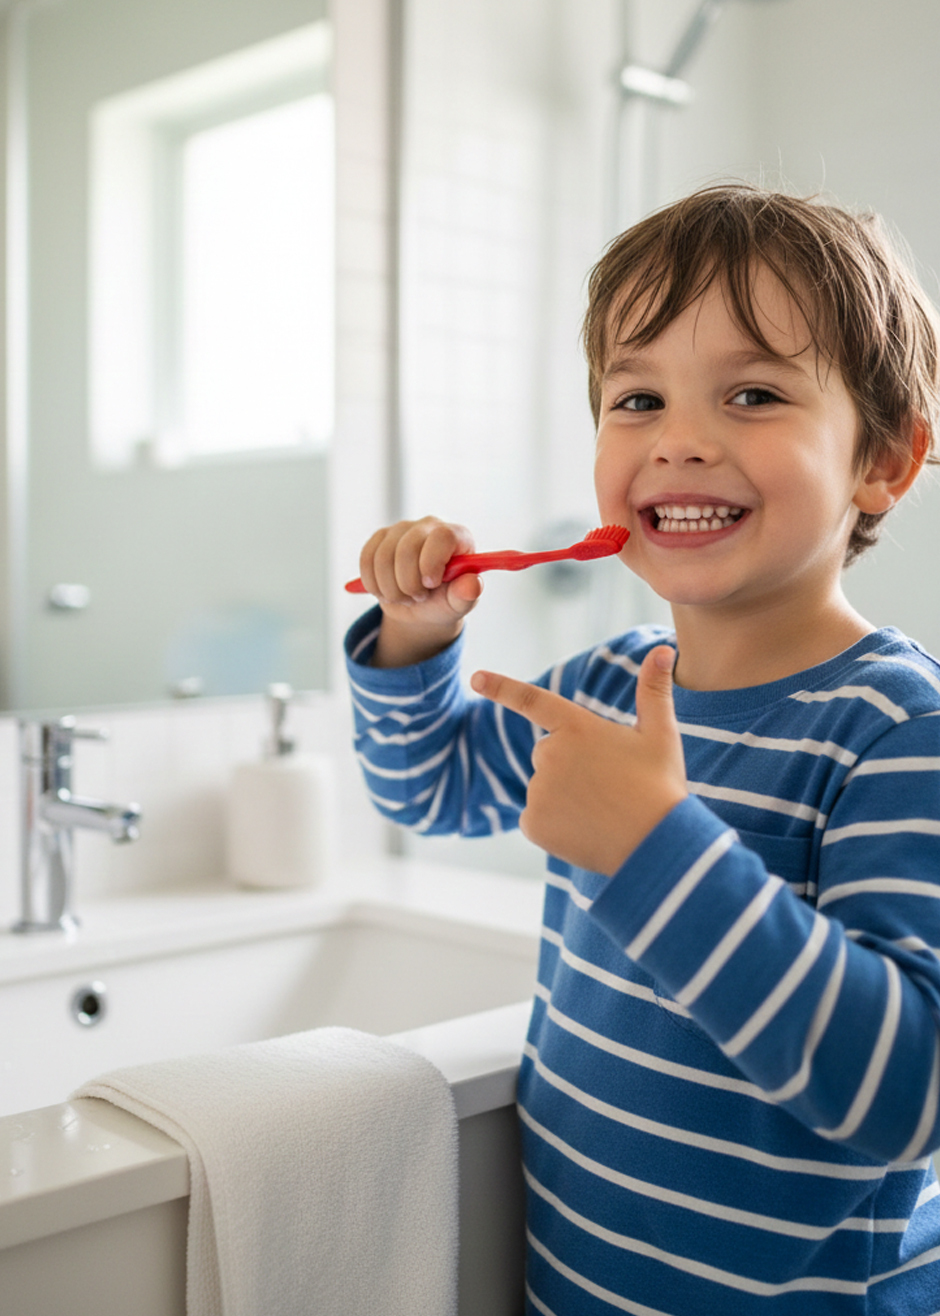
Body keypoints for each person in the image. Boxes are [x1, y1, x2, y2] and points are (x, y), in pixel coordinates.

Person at [344, 184, 940, 1314]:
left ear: (885, 461)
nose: (679, 439)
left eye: (753, 393)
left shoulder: (897, 732)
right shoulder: (606, 685)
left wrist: (656, 847)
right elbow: (423, 787)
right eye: (636, 396)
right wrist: (413, 638)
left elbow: (906, 1090)